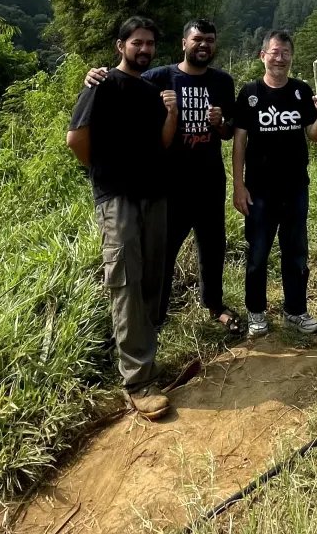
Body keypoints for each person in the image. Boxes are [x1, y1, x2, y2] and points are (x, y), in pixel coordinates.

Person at [86, 20, 241, 335]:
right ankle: (156, 315)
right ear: (184, 42)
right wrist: (93, 77)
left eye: (210, 40)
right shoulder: (158, 77)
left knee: (213, 247)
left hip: (210, 180)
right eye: (197, 39)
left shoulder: (223, 82)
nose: (204, 45)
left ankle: (214, 306)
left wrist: (220, 122)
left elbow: (227, 134)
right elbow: (123, 85)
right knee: (162, 253)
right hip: (168, 184)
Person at [67, 16, 177, 420]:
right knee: (126, 281)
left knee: (152, 277)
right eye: (137, 42)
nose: (144, 49)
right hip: (118, 198)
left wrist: (171, 114)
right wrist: (102, 175)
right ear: (121, 46)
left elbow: (162, 143)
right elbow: (76, 139)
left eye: (149, 43)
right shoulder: (102, 85)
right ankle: (137, 381)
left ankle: (146, 359)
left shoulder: (151, 91)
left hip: (155, 194)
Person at [232, 30, 317, 339]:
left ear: (291, 57)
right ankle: (256, 312)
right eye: (274, 52)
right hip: (259, 190)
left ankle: (295, 310)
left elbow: (314, 136)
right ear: (263, 55)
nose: (280, 57)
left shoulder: (302, 91)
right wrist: (239, 186)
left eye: (285, 52)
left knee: (296, 251)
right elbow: (238, 143)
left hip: (295, 187)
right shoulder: (249, 93)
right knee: (258, 252)